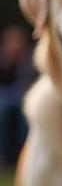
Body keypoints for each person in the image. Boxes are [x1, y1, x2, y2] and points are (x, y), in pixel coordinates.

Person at [0, 25, 35, 167]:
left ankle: (25, 154)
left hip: (23, 98)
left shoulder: (30, 60)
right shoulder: (3, 61)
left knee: (26, 115)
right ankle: (3, 156)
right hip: (5, 98)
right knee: (3, 110)